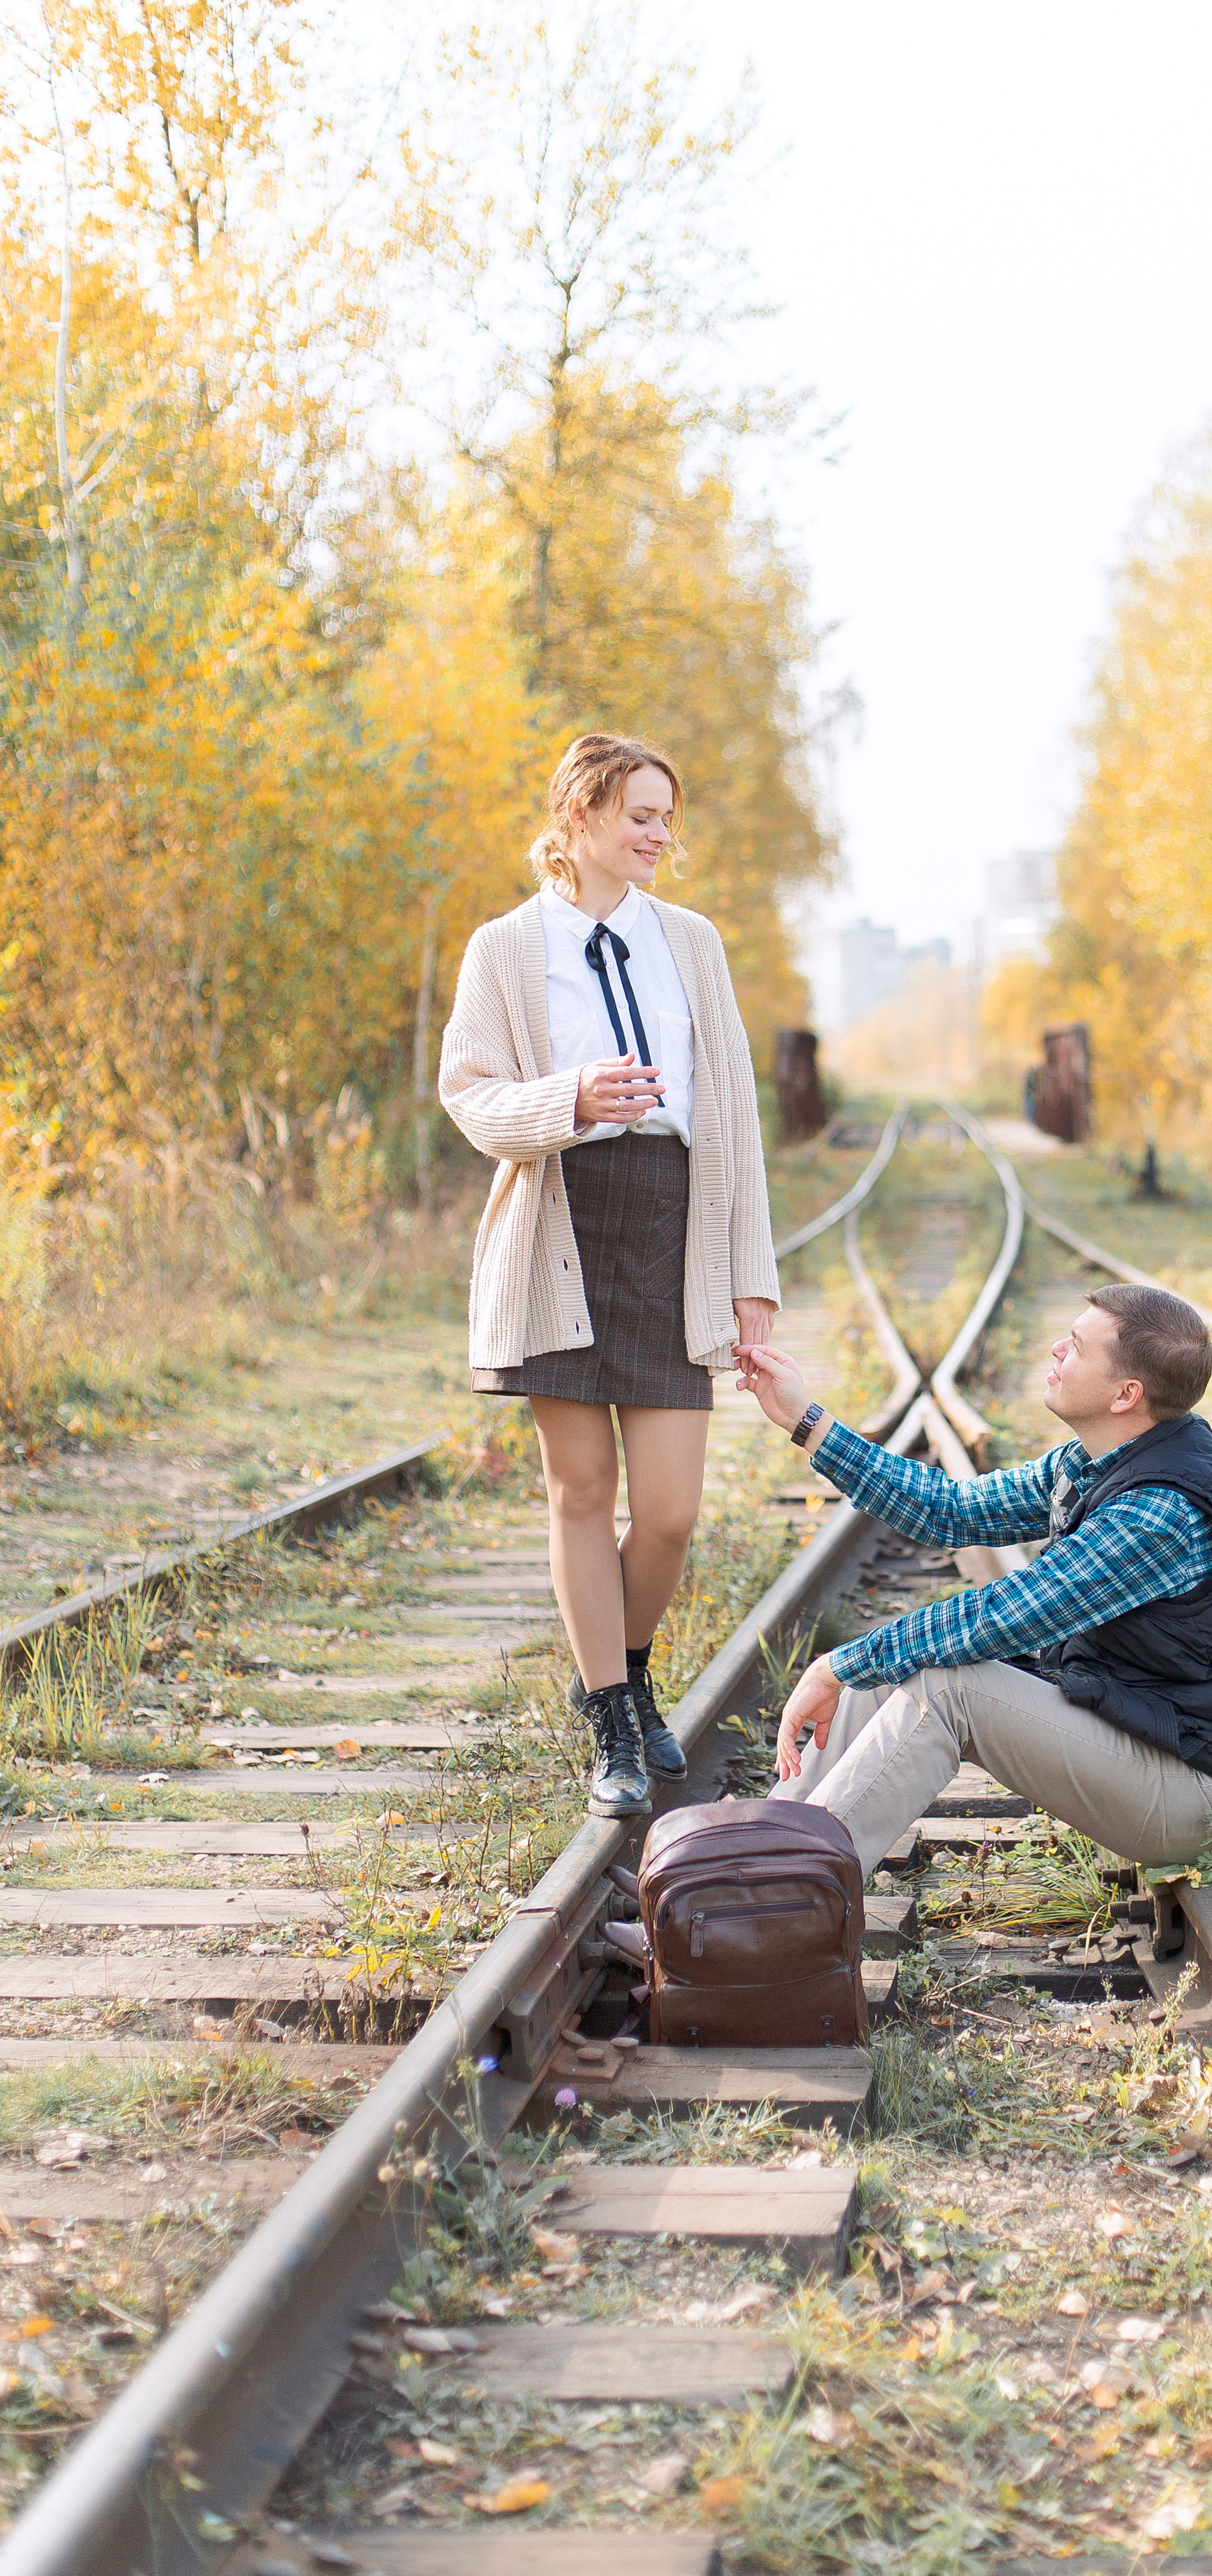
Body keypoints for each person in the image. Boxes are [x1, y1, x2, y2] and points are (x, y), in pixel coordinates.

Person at [439, 732, 779, 1817]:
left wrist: (750, 1271)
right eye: (640, 814)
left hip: (674, 1230)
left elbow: (731, 1113)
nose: (659, 836)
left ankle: (629, 1673)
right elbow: (473, 1099)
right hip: (558, 1233)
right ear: (579, 815)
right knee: (581, 1492)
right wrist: (569, 1100)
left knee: (670, 1512)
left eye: (666, 817)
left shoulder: (692, 943)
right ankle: (612, 1729)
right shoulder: (505, 949)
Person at [736, 1283, 1212, 1875]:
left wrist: (837, 1663)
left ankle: (774, 1908)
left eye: (1079, 1347)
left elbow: (1004, 1617)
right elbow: (951, 1509)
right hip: (1152, 1739)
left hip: (1204, 1795)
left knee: (944, 1685)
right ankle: (741, 1871)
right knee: (883, 1673)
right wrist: (808, 1423)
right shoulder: (1095, 1462)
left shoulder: (1162, 1511)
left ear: (1126, 1394)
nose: (1057, 1348)